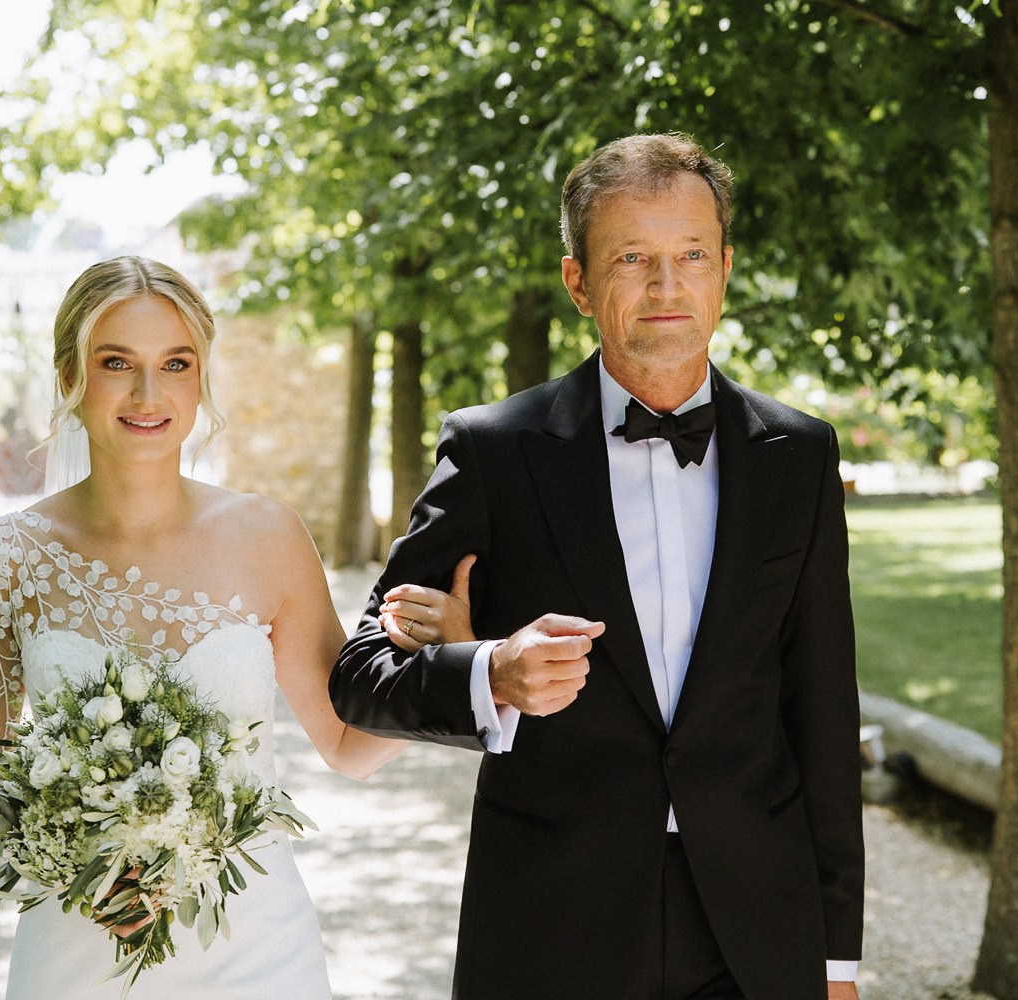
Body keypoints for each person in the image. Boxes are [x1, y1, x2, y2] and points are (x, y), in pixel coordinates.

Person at [331, 134, 865, 1000]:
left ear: (724, 270)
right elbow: (361, 677)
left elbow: (825, 717)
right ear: (579, 281)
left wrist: (837, 960)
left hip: (756, 928)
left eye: (690, 254)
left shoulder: (798, 456)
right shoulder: (493, 452)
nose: (666, 286)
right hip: (551, 919)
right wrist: (491, 671)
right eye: (632, 258)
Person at [0, 256, 471, 1000]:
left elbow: (348, 746)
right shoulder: (3, 556)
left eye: (176, 363)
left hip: (257, 948)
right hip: (78, 945)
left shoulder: (267, 536)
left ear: (200, 378)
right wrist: (83, 869)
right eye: (116, 362)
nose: (148, 393)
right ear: (69, 376)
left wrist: (449, 659)